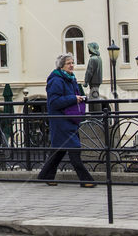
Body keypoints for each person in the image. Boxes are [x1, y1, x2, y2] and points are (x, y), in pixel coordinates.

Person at [37, 53, 96, 187]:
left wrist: (78, 97)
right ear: (61, 66)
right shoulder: (56, 80)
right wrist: (74, 98)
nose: (72, 65)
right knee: (74, 148)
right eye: (69, 63)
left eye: (72, 63)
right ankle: (86, 180)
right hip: (60, 120)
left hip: (68, 119)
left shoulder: (70, 78)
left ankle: (46, 175)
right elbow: (54, 102)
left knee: (59, 150)